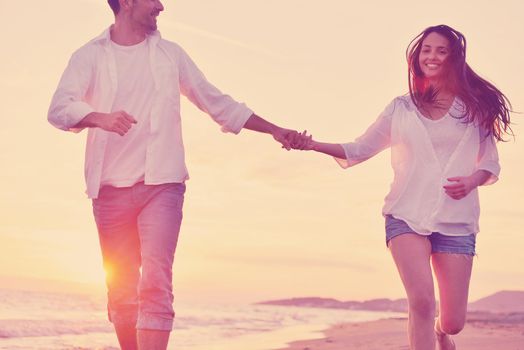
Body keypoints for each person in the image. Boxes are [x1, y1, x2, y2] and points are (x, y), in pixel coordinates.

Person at [47, 0, 300, 349]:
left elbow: (217, 102)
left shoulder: (171, 56)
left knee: (155, 279)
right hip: (108, 190)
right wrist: (99, 117)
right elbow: (59, 108)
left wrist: (274, 129)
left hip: (162, 186)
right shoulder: (89, 56)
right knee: (121, 291)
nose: (162, 6)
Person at [290, 25, 512, 350]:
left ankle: (442, 332)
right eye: (426, 50)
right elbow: (358, 149)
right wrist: (312, 145)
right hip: (405, 215)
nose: (432, 56)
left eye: (440, 50)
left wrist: (471, 181)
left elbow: (490, 163)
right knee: (421, 301)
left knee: (453, 321)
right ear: (417, 56)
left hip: (457, 221)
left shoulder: (474, 108)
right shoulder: (400, 108)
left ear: (454, 58)